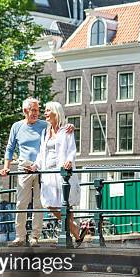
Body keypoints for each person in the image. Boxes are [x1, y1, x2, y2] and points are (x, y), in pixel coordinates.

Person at [0, 98, 74, 247]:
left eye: (37, 110)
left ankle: (35, 236)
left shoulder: (44, 125)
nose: (36, 113)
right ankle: (20, 237)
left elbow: (59, 126)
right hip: (24, 167)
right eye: (33, 110)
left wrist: (70, 125)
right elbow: (10, 148)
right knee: (21, 203)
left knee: (39, 204)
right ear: (25, 111)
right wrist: (6, 167)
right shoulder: (17, 126)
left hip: (42, 168)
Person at [29, 101, 88, 247]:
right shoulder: (45, 132)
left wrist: (69, 160)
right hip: (48, 173)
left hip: (62, 172)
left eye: (48, 111)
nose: (45, 113)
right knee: (49, 203)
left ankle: (68, 237)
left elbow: (72, 149)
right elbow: (42, 153)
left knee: (66, 204)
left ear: (56, 112)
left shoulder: (66, 130)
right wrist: (36, 165)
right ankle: (75, 230)